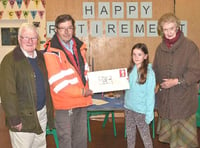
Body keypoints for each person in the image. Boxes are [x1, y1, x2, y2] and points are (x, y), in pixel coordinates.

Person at [0, 23, 54, 148]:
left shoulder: (41, 57)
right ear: (19, 39)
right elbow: (7, 94)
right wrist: (14, 119)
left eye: (33, 38)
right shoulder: (9, 61)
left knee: (40, 146)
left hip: (41, 114)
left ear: (37, 40)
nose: (30, 41)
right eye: (26, 37)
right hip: (22, 118)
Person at [43, 14, 93, 148]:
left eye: (69, 28)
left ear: (74, 29)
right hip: (64, 105)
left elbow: (84, 73)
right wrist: (83, 91)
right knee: (66, 143)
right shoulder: (50, 52)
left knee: (81, 142)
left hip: (81, 102)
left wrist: (94, 83)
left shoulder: (79, 47)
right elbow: (58, 84)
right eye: (62, 28)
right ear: (56, 30)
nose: (66, 32)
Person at [153, 12, 200, 148]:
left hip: (183, 100)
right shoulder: (160, 49)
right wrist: (155, 83)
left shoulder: (189, 46)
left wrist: (176, 81)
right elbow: (155, 69)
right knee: (171, 140)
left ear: (177, 28)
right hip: (166, 100)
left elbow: (196, 72)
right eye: (165, 29)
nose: (168, 32)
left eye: (171, 28)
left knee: (183, 142)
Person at [124, 43, 156, 148]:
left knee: (145, 137)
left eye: (139, 54)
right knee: (130, 135)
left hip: (141, 111)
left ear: (145, 56)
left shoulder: (150, 74)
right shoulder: (129, 70)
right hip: (128, 108)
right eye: (134, 54)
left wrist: (149, 114)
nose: (136, 57)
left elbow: (150, 96)